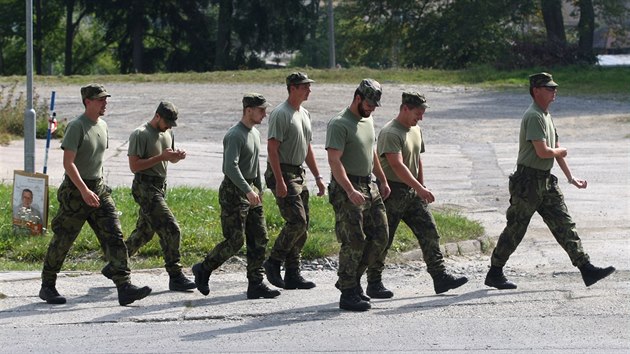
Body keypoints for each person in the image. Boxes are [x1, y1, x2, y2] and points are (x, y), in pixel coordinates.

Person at [484, 72, 615, 290]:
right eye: (549, 88)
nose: (554, 91)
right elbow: (544, 152)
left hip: (545, 181)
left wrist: (570, 178)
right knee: (516, 228)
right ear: (536, 91)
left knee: (564, 224)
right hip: (528, 182)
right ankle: (495, 272)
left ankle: (586, 268)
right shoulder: (534, 115)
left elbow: (556, 151)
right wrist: (561, 151)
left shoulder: (545, 115)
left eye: (554, 88)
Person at [39, 84, 152, 306]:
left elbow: (96, 162)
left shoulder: (103, 125)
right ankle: (47, 286)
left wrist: (97, 188)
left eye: (105, 99)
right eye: (100, 99)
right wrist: (84, 190)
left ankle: (124, 285)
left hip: (98, 189)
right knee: (63, 239)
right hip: (76, 191)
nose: (105, 103)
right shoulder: (76, 126)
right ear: (87, 102)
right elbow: (68, 164)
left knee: (115, 236)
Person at [373, 91, 468, 296]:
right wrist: (419, 187)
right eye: (418, 112)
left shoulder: (415, 129)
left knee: (429, 231)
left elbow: (417, 160)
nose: (421, 117)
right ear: (405, 108)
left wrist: (420, 188)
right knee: (383, 238)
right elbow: (397, 165)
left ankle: (440, 277)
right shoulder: (391, 132)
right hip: (392, 191)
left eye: (423, 113)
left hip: (412, 191)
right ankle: (374, 282)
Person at [191, 93, 280, 300]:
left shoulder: (255, 133)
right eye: (261, 110)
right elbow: (229, 167)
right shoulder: (235, 135)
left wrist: (258, 188)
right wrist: (247, 190)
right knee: (235, 240)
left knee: (260, 237)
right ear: (248, 110)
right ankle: (203, 269)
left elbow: (254, 164)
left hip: (250, 190)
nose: (264, 115)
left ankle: (256, 284)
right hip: (234, 191)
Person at [100, 101, 195, 292]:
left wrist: (177, 157)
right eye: (166, 122)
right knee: (171, 228)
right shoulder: (140, 134)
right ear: (157, 116)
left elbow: (169, 158)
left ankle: (114, 266)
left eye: (171, 124)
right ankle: (175, 275)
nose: (168, 126)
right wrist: (162, 157)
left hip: (160, 187)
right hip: (145, 187)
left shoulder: (168, 132)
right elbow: (134, 166)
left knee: (144, 233)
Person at [325, 79, 391, 311]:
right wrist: (349, 190)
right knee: (354, 240)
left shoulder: (367, 120)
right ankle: (348, 292)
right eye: (369, 104)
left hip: (368, 185)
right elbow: (334, 161)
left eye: (374, 105)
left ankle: (350, 280)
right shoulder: (339, 124)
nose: (372, 108)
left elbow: (371, 152)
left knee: (381, 236)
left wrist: (381, 179)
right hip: (347, 187)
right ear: (358, 98)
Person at [262, 72, 326, 290]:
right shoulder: (281, 114)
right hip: (283, 171)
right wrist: (279, 180)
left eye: (309, 86)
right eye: (305, 86)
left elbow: (307, 147)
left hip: (299, 172)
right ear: (292, 88)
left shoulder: (304, 113)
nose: (309, 90)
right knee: (296, 221)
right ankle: (273, 262)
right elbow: (272, 148)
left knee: (304, 225)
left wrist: (317, 177)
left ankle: (292, 273)